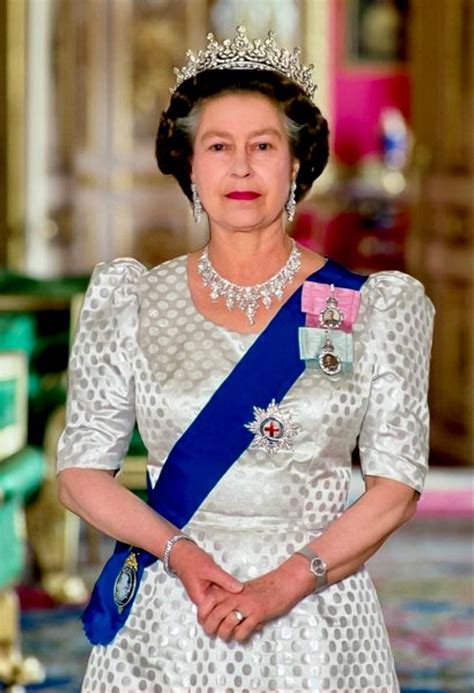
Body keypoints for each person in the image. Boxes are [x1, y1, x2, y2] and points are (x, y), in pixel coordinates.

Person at [57, 26, 434, 693]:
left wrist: (287, 582)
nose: (240, 167)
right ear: (190, 166)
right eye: (218, 146)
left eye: (263, 146)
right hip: (175, 611)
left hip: (318, 611)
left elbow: (396, 485)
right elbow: (81, 472)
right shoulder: (135, 301)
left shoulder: (365, 307)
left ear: (296, 165)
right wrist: (179, 551)